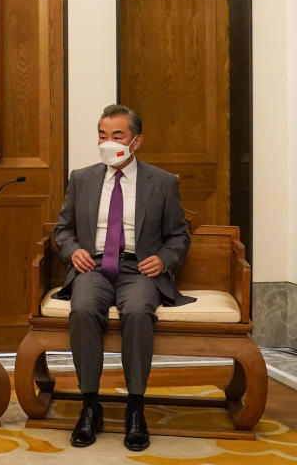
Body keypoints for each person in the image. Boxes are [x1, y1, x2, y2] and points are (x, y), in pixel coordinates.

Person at [53, 104, 191, 452]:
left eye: (117, 136)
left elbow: (179, 235)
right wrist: (72, 251)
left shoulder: (160, 182)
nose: (107, 142)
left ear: (135, 142)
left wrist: (163, 259)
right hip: (94, 267)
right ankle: (89, 405)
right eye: (102, 135)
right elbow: (63, 229)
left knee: (138, 311)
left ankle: (135, 408)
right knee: (82, 309)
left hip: (138, 268)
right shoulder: (81, 178)